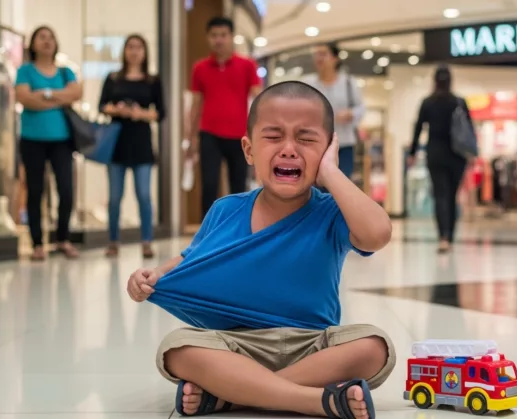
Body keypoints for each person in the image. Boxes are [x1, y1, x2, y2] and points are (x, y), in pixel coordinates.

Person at [127, 81, 395, 418]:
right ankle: (314, 401)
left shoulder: (332, 212)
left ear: (328, 150)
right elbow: (191, 260)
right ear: (249, 150)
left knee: (375, 346)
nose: (288, 149)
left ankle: (234, 396)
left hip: (311, 345)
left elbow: (377, 234)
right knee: (177, 349)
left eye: (306, 139)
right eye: (273, 136)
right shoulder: (226, 209)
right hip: (237, 345)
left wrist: (331, 173)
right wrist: (154, 275)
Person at [15, 26, 82, 261]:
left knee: (66, 189)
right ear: (33, 44)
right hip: (32, 139)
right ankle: (37, 244)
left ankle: (62, 238)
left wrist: (41, 95)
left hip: (62, 140)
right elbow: (23, 98)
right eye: (42, 37)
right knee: (35, 191)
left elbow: (75, 93)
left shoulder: (65, 72)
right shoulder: (25, 70)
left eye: (51, 37)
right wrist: (56, 96)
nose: (47, 41)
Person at [185, 17, 263, 219]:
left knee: (239, 186)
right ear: (208, 38)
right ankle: (207, 234)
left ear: (231, 37)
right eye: (214, 35)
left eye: (223, 35)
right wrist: (190, 138)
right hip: (209, 134)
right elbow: (195, 104)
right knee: (209, 184)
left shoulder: (247, 65)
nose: (218, 40)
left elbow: (259, 99)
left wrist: (262, 133)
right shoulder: (200, 68)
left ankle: (239, 230)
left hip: (240, 136)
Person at [99, 34, 166, 259]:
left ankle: (146, 241)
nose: (134, 51)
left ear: (145, 52)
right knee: (115, 196)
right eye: (130, 47)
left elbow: (161, 112)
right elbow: (102, 106)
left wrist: (140, 113)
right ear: (124, 50)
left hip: (141, 144)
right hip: (116, 144)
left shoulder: (152, 81)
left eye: (139, 47)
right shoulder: (113, 78)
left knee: (144, 195)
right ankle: (113, 241)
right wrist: (118, 110)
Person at [408, 66, 470, 253]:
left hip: (435, 153)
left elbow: (418, 128)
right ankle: (450, 235)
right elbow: (469, 130)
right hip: (457, 155)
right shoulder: (459, 102)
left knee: (440, 195)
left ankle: (443, 237)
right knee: (451, 196)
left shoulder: (427, 102)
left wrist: (412, 153)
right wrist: (472, 153)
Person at [304, 42, 365, 178]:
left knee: (340, 187)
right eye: (316, 54)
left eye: (323, 54)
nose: (319, 58)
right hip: (315, 144)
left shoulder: (349, 82)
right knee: (315, 187)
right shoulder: (308, 83)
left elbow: (361, 108)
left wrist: (350, 114)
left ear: (334, 58)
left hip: (343, 145)